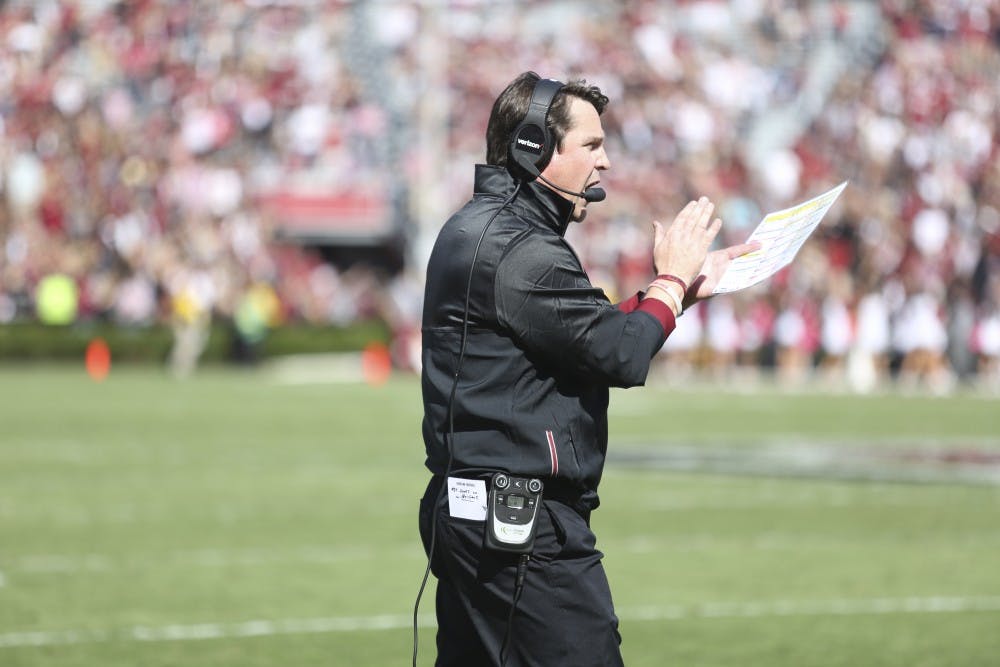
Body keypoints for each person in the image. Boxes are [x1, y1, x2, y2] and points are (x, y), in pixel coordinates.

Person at [417, 71, 756, 667]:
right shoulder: (523, 249)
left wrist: (676, 293)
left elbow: (581, 334)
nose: (605, 162)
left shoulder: (476, 228)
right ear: (534, 149)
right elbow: (620, 354)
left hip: (469, 514)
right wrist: (670, 279)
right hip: (522, 528)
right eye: (592, 145)